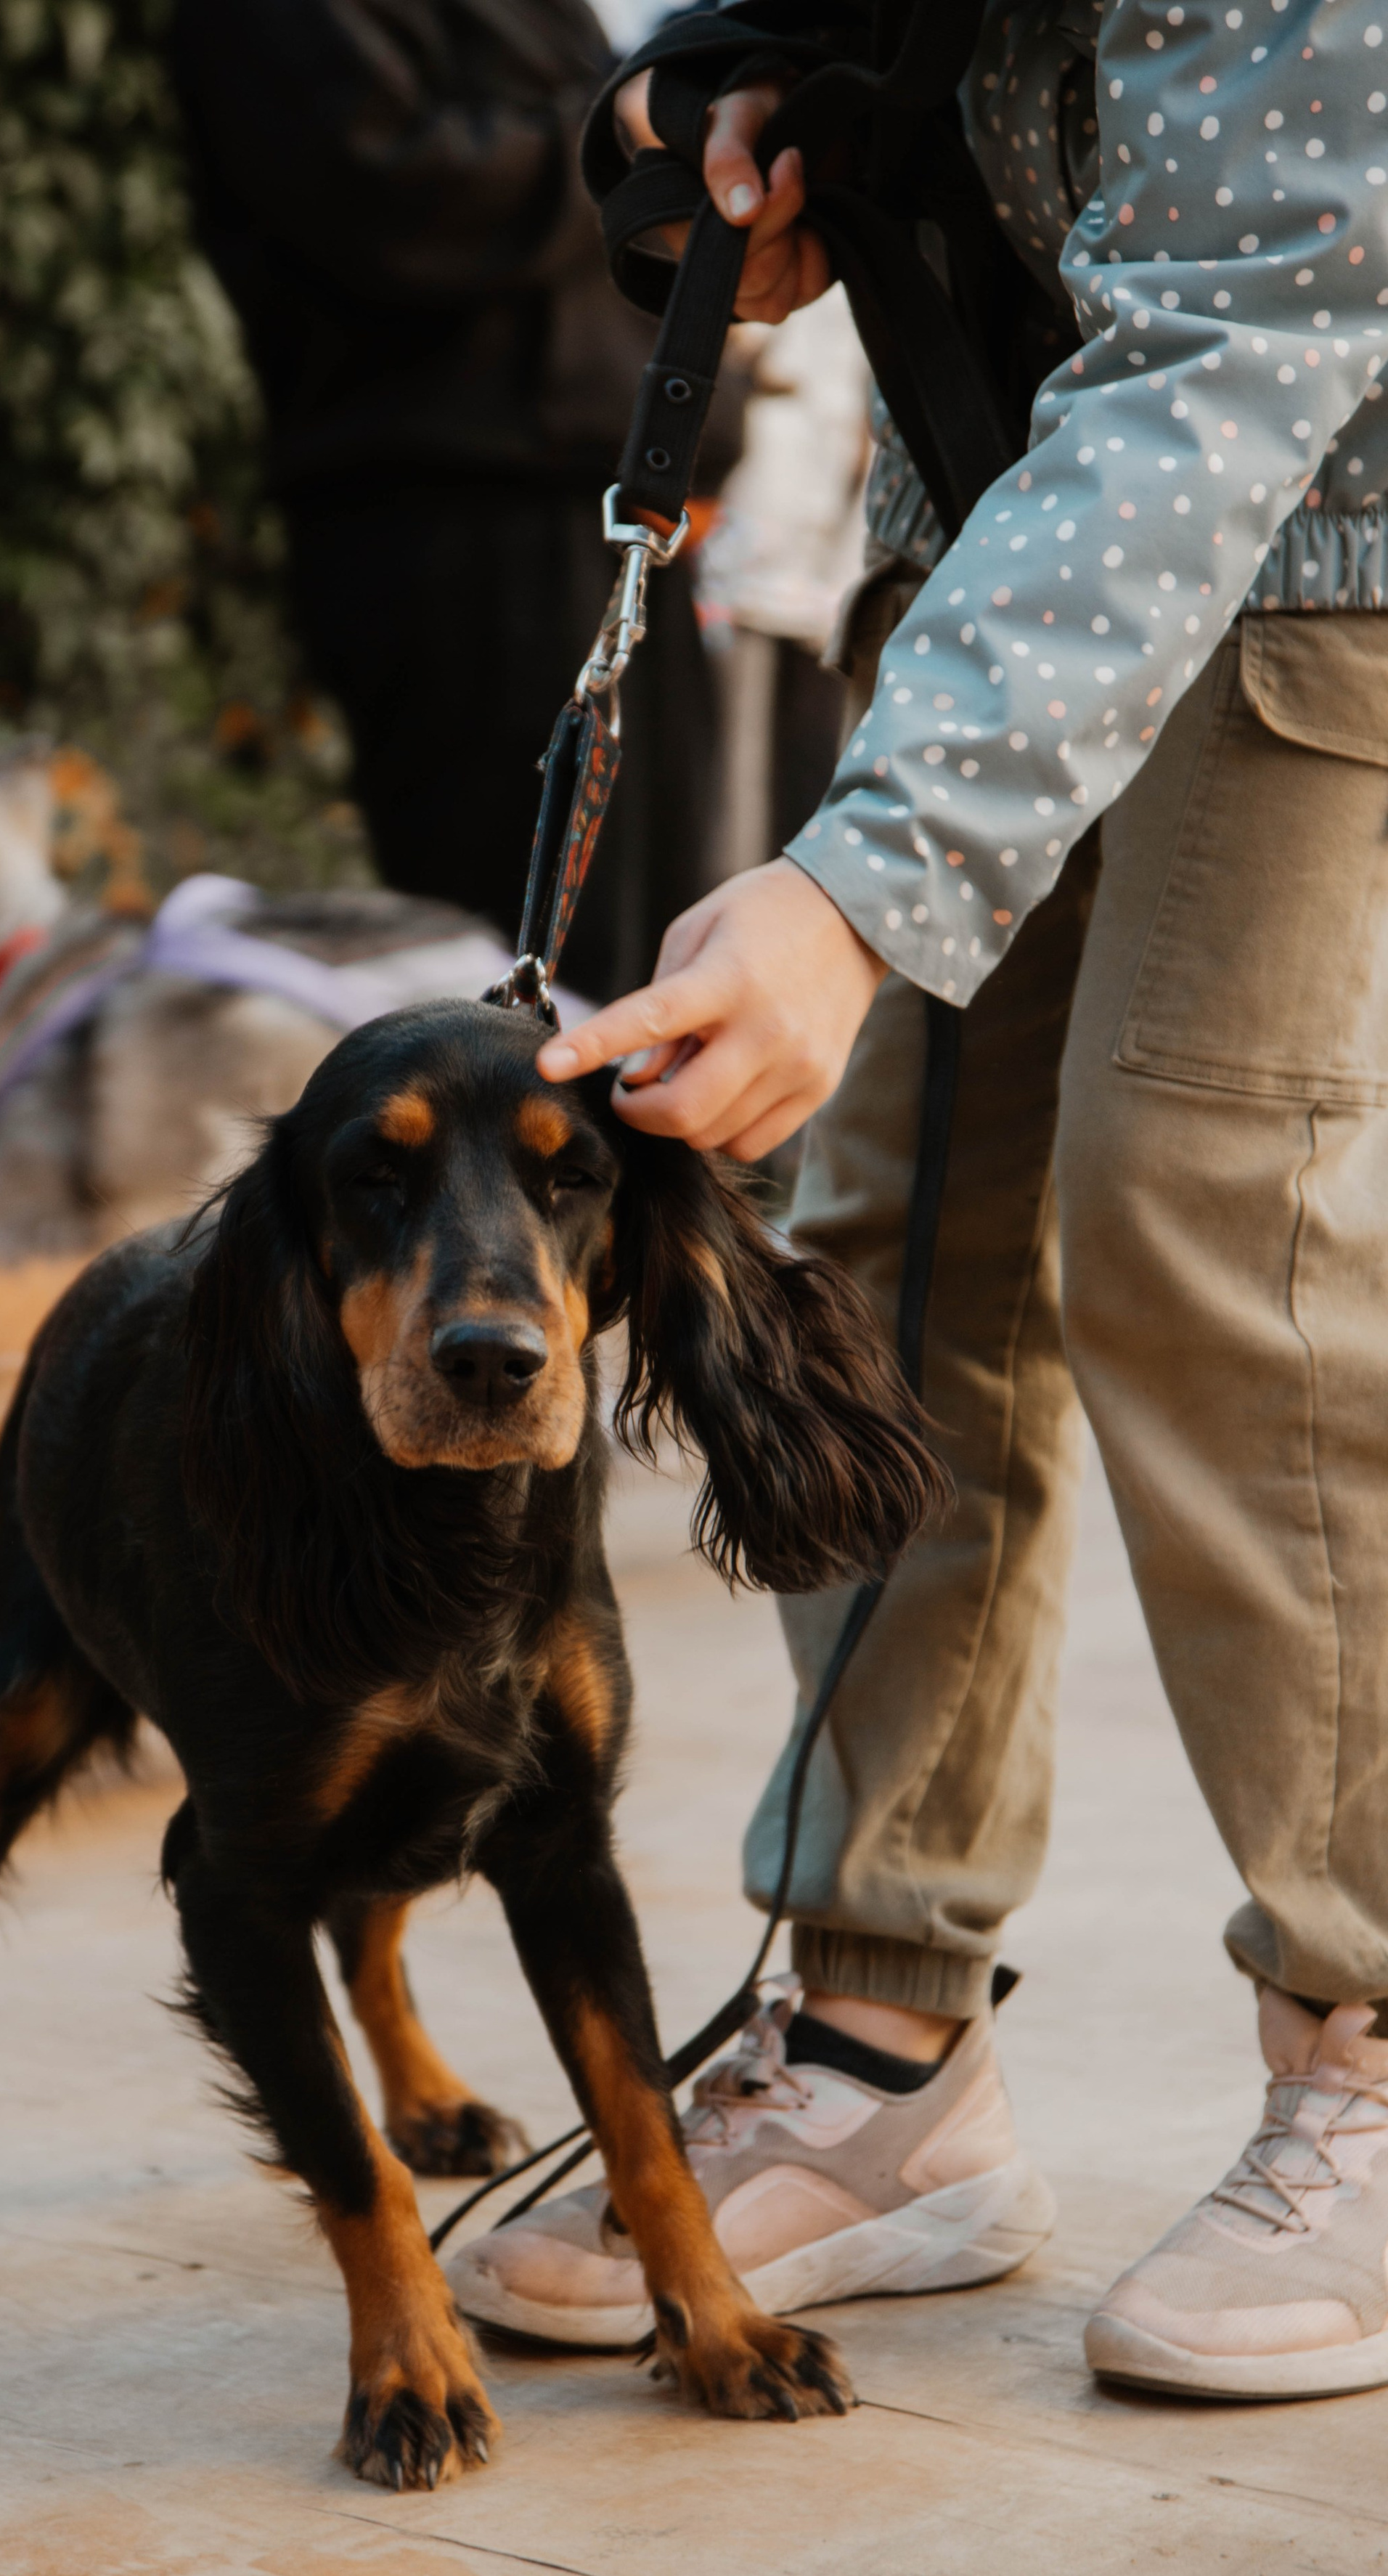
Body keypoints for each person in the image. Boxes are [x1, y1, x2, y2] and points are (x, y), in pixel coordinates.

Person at [448, 0, 1388, 2403]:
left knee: (1206, 1210)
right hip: (990, 502)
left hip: (1309, 505)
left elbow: (1260, 289)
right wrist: (755, 109)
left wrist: (858, 885)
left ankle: (1373, 2025)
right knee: (877, 1245)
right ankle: (881, 2042)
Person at [170, 0, 737, 1009]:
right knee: (522, 988)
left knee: (658, 968)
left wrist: (707, 439)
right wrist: (612, 131)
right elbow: (385, 200)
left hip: (614, 507)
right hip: (456, 523)